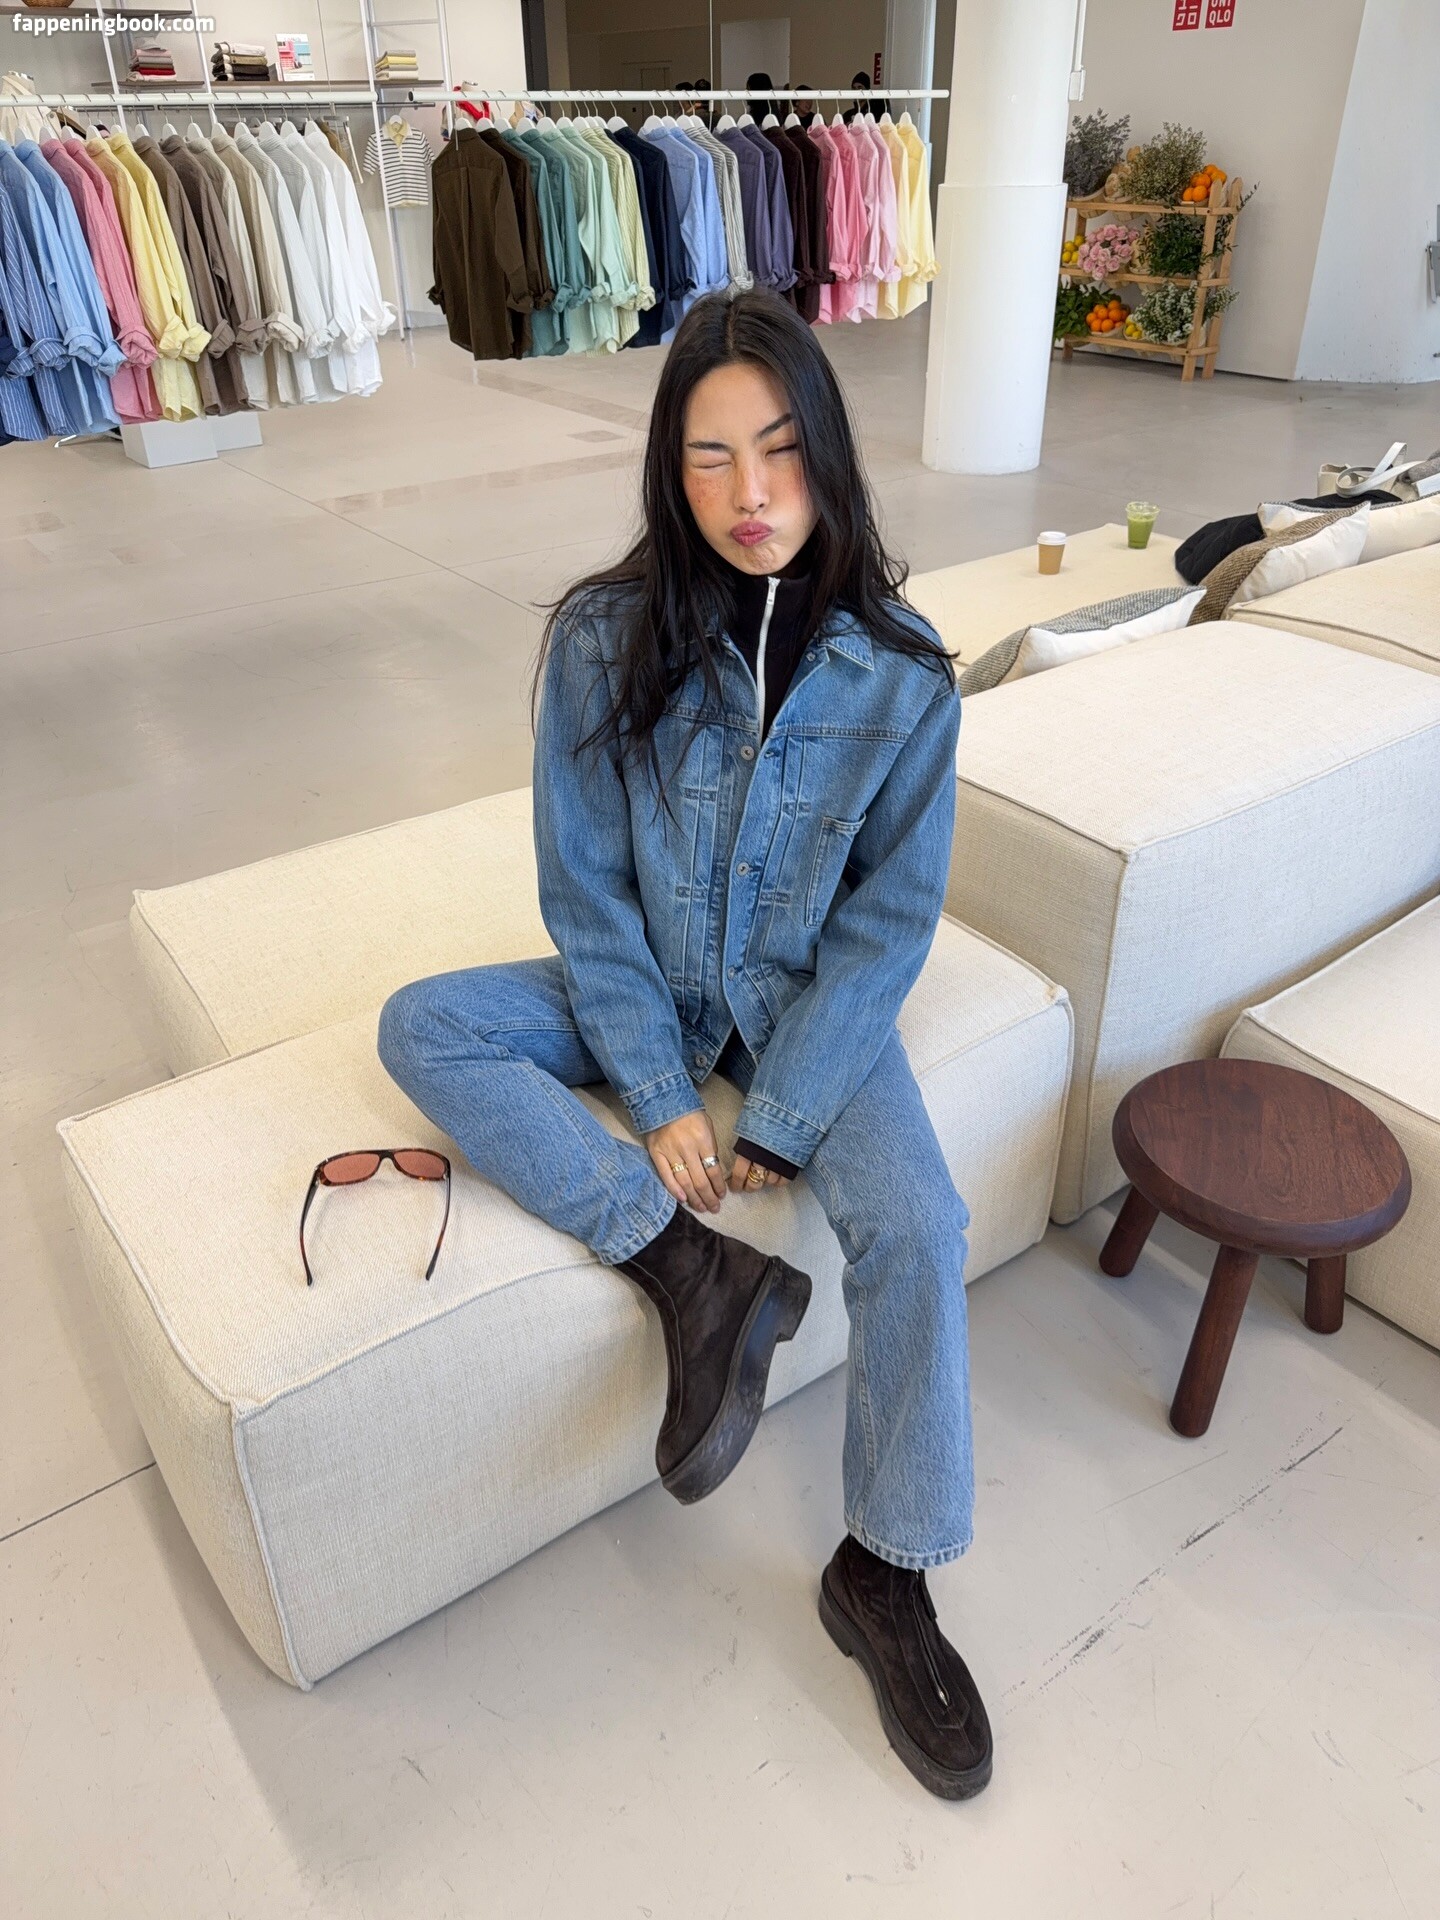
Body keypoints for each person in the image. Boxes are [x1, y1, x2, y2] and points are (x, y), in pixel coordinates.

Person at [378, 289, 992, 1801]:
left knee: (920, 1222)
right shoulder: (607, 637)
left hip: (800, 1011)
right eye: (710, 459)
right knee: (427, 1025)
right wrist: (655, 1089)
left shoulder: (905, 670)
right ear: (671, 470)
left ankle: (888, 1570)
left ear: (827, 451)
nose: (751, 494)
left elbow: (887, 925)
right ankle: (690, 1268)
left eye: (779, 449)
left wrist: (783, 1110)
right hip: (641, 984)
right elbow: (585, 888)